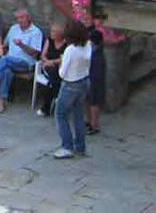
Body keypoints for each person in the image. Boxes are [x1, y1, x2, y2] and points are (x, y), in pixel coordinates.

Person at [0, 8, 43, 113]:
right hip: (9, 61)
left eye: (22, 17)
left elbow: (35, 53)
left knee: (5, 60)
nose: (19, 20)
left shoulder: (36, 32)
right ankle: (1, 101)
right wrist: (0, 49)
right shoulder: (14, 29)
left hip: (25, 64)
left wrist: (22, 45)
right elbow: (5, 45)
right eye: (17, 18)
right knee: (7, 70)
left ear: (28, 18)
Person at [54, 20, 91, 159]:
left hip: (70, 84)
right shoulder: (87, 45)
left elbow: (62, 73)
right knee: (78, 115)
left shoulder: (70, 50)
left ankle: (67, 147)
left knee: (61, 114)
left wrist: (60, 65)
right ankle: (80, 146)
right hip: (84, 81)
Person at [36, 22, 67, 117]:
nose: (51, 33)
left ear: (60, 33)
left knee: (51, 83)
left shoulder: (66, 43)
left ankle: (46, 107)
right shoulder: (49, 40)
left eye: (54, 32)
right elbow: (43, 55)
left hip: (61, 67)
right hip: (48, 67)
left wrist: (52, 62)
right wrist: (48, 62)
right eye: (51, 31)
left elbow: (65, 58)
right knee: (53, 73)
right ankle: (57, 97)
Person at [86, 27, 106, 135]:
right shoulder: (96, 51)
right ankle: (90, 122)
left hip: (95, 80)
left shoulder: (97, 55)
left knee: (94, 103)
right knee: (90, 102)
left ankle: (94, 126)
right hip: (92, 78)